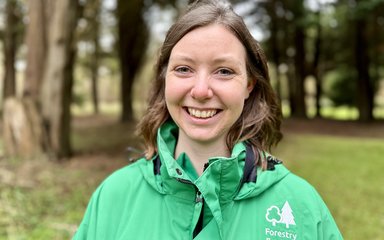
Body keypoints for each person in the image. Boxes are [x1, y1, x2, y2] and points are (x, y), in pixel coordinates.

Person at [73, 0, 343, 239]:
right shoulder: (113, 196)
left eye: (224, 71)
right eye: (183, 69)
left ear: (249, 84)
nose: (201, 91)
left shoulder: (300, 205)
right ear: (165, 79)